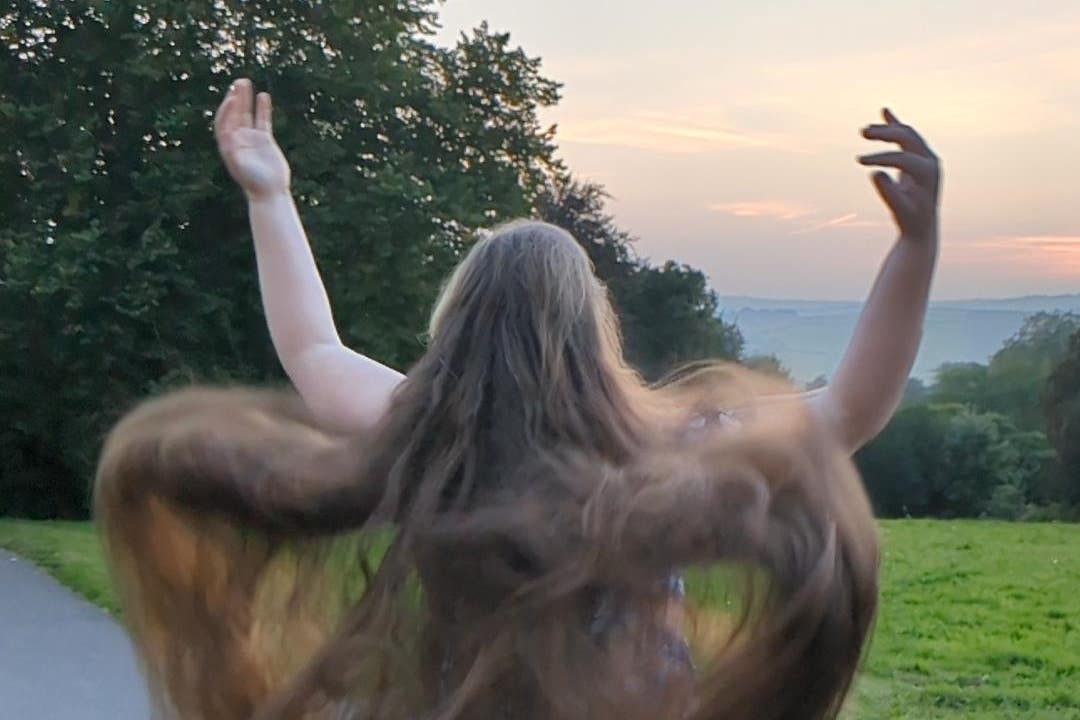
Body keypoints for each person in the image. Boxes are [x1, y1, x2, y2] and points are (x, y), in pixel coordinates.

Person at [95, 78, 941, 720]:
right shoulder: (663, 445)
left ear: (456, 323)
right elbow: (848, 410)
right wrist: (915, 245)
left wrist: (270, 194)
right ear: (593, 327)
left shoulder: (423, 434)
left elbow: (314, 347)